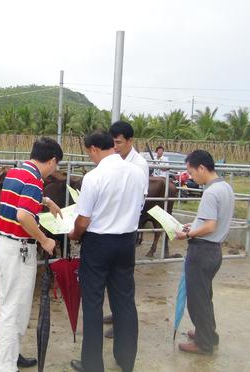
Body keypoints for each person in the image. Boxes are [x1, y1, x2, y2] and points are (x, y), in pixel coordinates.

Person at [68, 130, 147, 372]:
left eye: (89, 153)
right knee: (124, 301)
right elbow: (140, 205)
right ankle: (126, 360)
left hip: (98, 244)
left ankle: (92, 364)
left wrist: (73, 234)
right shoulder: (136, 172)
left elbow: (83, 220)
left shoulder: (94, 176)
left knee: (93, 303)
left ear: (94, 149)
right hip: (126, 243)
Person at [0, 137, 63, 372]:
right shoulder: (34, 180)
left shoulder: (16, 172)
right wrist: (44, 240)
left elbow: (19, 198)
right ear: (52, 160)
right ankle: (6, 366)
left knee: (13, 306)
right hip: (18, 249)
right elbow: (23, 215)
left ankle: (12, 356)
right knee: (14, 309)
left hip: (5, 245)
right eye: (56, 165)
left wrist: (46, 201)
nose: (55, 169)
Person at [174, 150, 234, 355]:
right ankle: (207, 333)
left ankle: (204, 344)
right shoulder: (224, 187)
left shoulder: (210, 192)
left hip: (202, 250)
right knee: (205, 296)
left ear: (201, 168)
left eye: (191, 172)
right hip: (214, 250)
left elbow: (209, 226)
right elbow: (211, 221)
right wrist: (196, 224)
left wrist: (188, 234)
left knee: (197, 299)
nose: (190, 177)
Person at [103, 121, 149, 338]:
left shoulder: (139, 165)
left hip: (125, 230)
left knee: (123, 281)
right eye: (113, 142)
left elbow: (139, 200)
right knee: (111, 278)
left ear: (130, 141)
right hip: (110, 228)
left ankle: (122, 323)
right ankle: (115, 313)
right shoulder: (112, 160)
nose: (115, 146)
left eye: (119, 142)